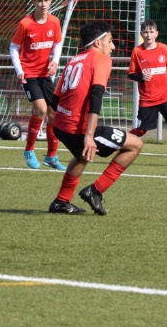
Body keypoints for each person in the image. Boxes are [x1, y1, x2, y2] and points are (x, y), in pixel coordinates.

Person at [47, 21, 143, 215]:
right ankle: (95, 191)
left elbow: (54, 102)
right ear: (98, 43)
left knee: (82, 155)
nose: (113, 46)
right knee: (135, 145)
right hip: (77, 128)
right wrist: (88, 136)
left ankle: (61, 202)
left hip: (60, 126)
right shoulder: (101, 59)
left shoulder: (74, 60)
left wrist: (63, 122)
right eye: (110, 41)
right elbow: (96, 96)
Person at [9, 0, 65, 171]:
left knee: (54, 114)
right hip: (29, 74)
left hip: (45, 75)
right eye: (39, 1)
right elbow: (13, 47)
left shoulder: (54, 22)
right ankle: (29, 151)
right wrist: (19, 71)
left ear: (50, 1)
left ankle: (52, 157)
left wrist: (55, 62)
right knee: (41, 109)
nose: (43, 4)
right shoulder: (25, 24)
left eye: (46, 0)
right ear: (33, 2)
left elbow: (57, 44)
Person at [128, 20, 167, 166]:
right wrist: (141, 77)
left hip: (165, 96)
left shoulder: (164, 49)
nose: (148, 34)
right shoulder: (137, 51)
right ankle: (121, 141)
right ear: (141, 34)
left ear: (156, 33)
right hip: (147, 99)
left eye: (151, 31)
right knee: (141, 131)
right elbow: (131, 74)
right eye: (146, 32)